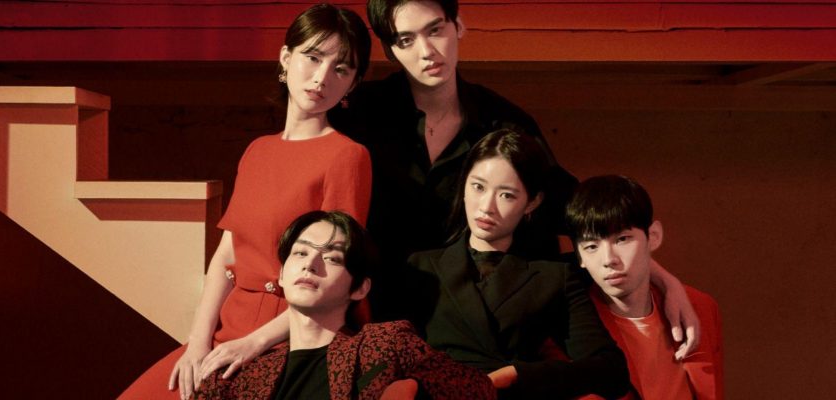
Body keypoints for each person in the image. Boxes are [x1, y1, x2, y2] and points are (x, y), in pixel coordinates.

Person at [328, 1, 700, 356]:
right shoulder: (359, 113)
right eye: (406, 39)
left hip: (479, 331)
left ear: (458, 26)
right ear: (390, 49)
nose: (426, 51)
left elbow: (577, 212)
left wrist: (660, 278)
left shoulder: (504, 124)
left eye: (436, 30)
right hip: (373, 316)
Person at [120, 4, 373, 399]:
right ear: (285, 58)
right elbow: (227, 255)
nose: (322, 77)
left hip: (292, 331)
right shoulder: (258, 150)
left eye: (341, 69)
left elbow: (337, 279)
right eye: (312, 57)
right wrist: (197, 342)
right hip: (228, 325)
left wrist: (253, 344)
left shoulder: (347, 156)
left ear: (353, 84)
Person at [405, 129, 630, 399]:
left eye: (507, 195)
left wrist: (521, 374)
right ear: (463, 185)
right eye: (478, 187)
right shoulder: (420, 266)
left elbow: (611, 371)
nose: (487, 206)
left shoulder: (553, 277)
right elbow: (389, 350)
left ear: (532, 202)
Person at [195, 211, 497, 400]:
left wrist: (408, 389)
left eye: (332, 258)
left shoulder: (385, 345)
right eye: (300, 253)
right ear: (282, 275)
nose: (311, 264)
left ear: (359, 288)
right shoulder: (238, 377)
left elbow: (478, 390)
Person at [565, 175, 723, 400]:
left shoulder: (701, 307)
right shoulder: (571, 329)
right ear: (579, 256)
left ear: (654, 236)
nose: (608, 259)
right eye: (591, 246)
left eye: (622, 239)